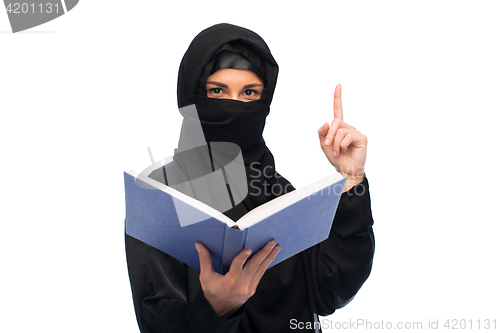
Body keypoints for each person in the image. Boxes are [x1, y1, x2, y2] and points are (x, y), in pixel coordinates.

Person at [125, 23, 375, 333]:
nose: (234, 106)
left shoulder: (278, 191)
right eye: (217, 91)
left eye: (249, 93)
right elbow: (156, 320)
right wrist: (215, 310)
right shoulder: (159, 197)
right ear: (190, 97)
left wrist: (351, 178)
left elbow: (329, 290)